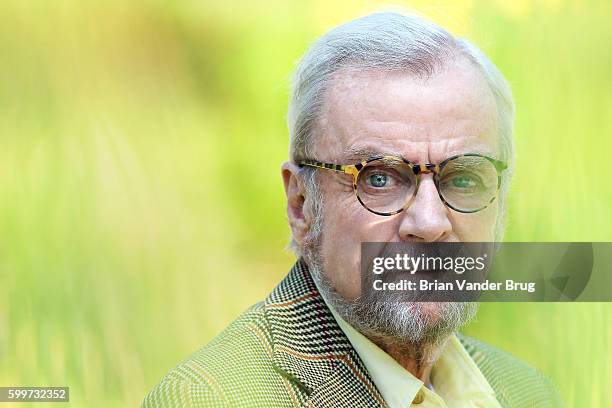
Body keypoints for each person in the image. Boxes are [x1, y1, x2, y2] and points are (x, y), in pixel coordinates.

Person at [143, 11, 562, 407]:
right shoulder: (211, 397)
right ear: (301, 205)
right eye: (379, 178)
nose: (430, 224)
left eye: (464, 179)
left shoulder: (528, 391)